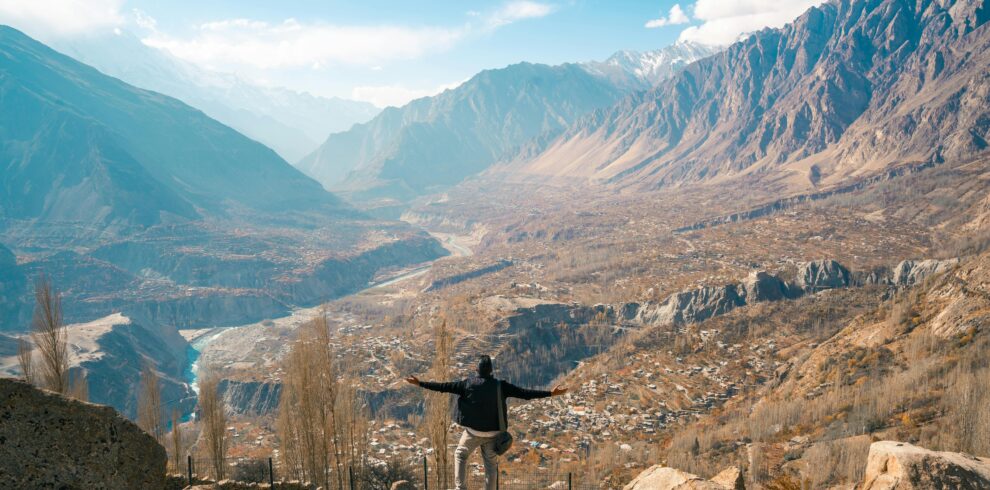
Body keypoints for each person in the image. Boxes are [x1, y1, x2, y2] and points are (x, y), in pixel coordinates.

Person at [405, 355, 567, 490]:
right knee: (490, 465)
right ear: (491, 371)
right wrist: (550, 393)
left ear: (477, 370)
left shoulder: (467, 384)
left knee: (461, 455)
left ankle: (460, 488)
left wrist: (420, 383)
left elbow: (443, 387)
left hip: (472, 434)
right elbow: (525, 393)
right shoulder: (500, 386)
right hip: (493, 435)